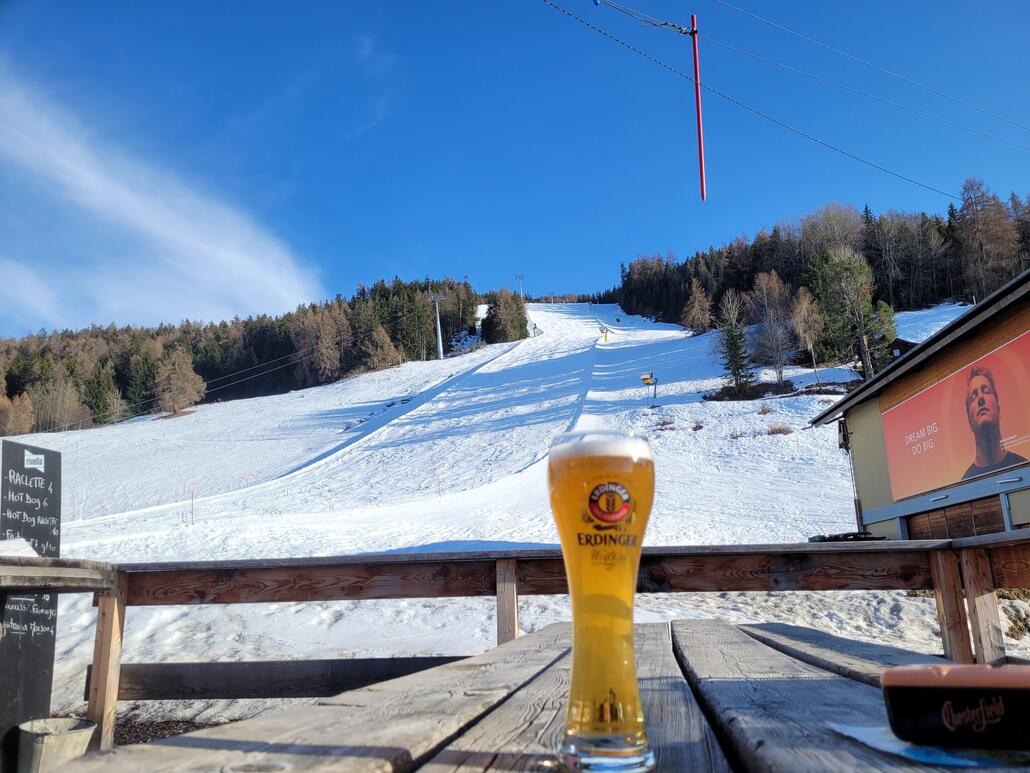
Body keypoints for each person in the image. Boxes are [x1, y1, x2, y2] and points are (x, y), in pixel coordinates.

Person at [961, 366, 1028, 480]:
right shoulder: (966, 482)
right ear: (969, 422)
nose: (980, 397)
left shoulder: (1024, 466)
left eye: (986, 391)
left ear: (999, 410)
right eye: (974, 396)